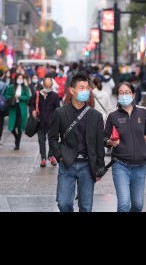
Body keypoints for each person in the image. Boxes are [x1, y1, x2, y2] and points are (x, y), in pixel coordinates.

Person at [48, 73, 105, 212]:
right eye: (81, 88)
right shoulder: (60, 112)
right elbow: (53, 137)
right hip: (67, 163)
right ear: (72, 91)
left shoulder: (95, 115)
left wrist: (100, 167)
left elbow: (99, 143)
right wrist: (59, 156)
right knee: (63, 203)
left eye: (87, 88)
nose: (85, 91)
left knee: (86, 207)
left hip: (87, 164)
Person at [104, 82, 146, 212]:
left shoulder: (143, 112)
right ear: (117, 96)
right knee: (124, 204)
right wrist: (110, 142)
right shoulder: (112, 115)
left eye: (127, 92)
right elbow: (103, 138)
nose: (124, 95)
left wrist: (145, 149)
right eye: (121, 93)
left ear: (133, 95)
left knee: (138, 205)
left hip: (140, 166)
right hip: (120, 165)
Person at [29, 76, 60, 167]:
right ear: (43, 85)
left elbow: (57, 109)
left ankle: (51, 156)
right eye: (46, 86)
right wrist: (33, 110)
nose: (48, 88)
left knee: (52, 140)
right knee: (41, 141)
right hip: (40, 121)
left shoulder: (54, 95)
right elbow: (31, 104)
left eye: (50, 86)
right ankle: (43, 158)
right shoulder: (37, 94)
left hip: (51, 122)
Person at [4, 73, 31, 150]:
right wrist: (12, 97)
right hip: (13, 108)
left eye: (21, 78)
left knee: (20, 127)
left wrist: (20, 97)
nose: (20, 79)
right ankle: (16, 137)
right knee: (12, 127)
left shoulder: (26, 88)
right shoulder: (11, 87)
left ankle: (17, 144)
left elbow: (28, 97)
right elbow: (6, 95)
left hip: (22, 109)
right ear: (16, 79)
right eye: (18, 78)